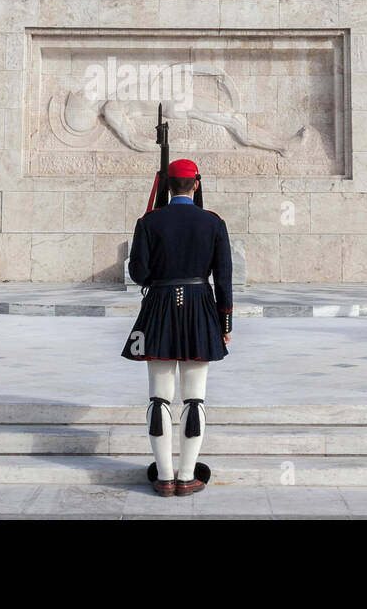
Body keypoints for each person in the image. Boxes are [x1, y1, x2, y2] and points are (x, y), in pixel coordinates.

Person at [122, 159, 233, 498]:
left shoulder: (150, 221)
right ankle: (187, 476)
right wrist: (224, 321)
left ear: (168, 185)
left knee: (159, 397)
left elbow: (138, 274)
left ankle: (164, 477)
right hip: (199, 306)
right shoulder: (212, 222)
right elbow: (224, 278)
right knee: (195, 397)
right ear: (195, 184)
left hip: (159, 307)